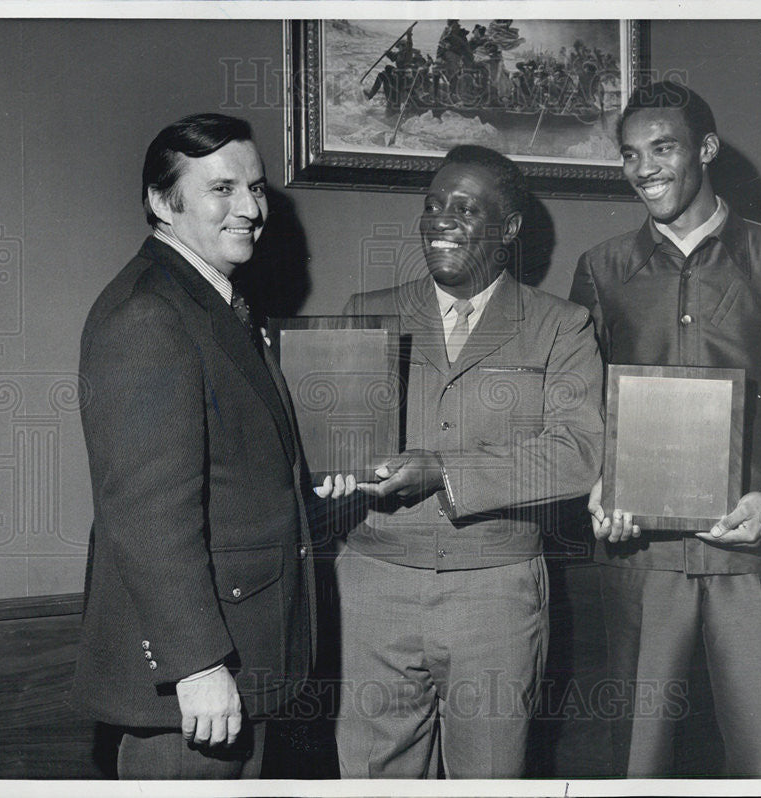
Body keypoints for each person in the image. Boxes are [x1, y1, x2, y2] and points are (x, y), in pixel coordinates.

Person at [569, 82, 761, 777]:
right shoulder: (602, 269)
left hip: (751, 557)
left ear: (706, 150)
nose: (644, 169)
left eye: (662, 148)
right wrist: (597, 481)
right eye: (630, 154)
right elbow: (576, 409)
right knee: (633, 765)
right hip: (639, 561)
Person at [70, 113, 352, 779]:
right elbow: (146, 514)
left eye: (255, 188)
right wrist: (196, 664)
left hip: (240, 661)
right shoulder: (150, 314)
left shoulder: (209, 303)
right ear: (162, 204)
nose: (251, 209)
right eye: (222, 190)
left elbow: (228, 470)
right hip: (194, 686)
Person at [335, 145, 603, 778]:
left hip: (495, 592)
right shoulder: (364, 310)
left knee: (489, 777)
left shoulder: (561, 325)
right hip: (374, 584)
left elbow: (577, 454)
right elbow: (334, 442)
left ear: (509, 229)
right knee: (372, 777)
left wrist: (447, 470)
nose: (441, 220)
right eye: (432, 205)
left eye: (465, 207)